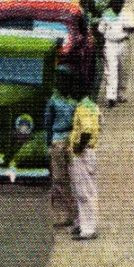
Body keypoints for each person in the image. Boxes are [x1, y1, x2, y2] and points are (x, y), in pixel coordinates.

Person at [42, 76, 78, 229]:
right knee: (71, 178)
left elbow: (47, 123)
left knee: (58, 179)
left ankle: (65, 214)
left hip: (58, 141)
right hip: (70, 140)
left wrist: (48, 143)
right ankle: (74, 212)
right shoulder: (74, 102)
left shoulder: (53, 101)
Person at [68, 91, 101, 240]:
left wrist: (78, 147)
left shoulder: (83, 108)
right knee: (88, 190)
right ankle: (85, 224)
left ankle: (88, 229)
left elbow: (86, 131)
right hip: (91, 151)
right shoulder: (93, 106)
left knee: (83, 192)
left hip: (83, 153)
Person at [97, 6, 134, 106]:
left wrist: (128, 28)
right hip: (110, 44)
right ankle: (111, 96)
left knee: (123, 70)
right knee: (111, 70)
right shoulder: (107, 14)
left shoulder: (126, 13)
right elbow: (101, 30)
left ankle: (121, 94)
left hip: (123, 43)